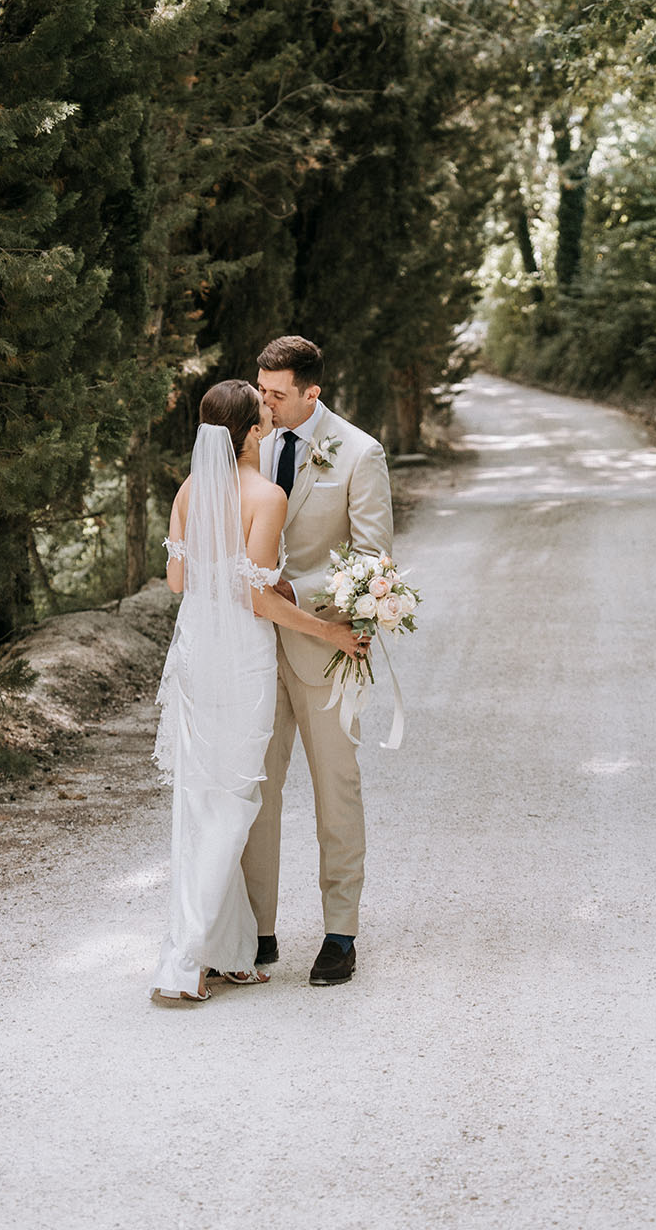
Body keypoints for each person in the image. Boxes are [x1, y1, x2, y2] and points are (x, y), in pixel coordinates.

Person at [150, 378, 366, 1002]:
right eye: (261, 412)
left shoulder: (189, 490)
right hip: (241, 656)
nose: (270, 415)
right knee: (235, 799)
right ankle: (189, 959)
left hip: (194, 651)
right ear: (250, 432)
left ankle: (228, 950)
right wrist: (327, 629)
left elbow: (174, 579)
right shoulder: (263, 496)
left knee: (201, 797)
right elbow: (257, 596)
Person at [241, 336, 393, 986]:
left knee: (337, 792)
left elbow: (372, 560)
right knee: (254, 793)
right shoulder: (251, 444)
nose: (264, 403)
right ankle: (258, 932)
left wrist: (297, 592)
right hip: (250, 649)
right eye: (261, 390)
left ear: (312, 392)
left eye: (276, 393)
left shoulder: (359, 453)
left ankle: (340, 933)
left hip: (327, 649)